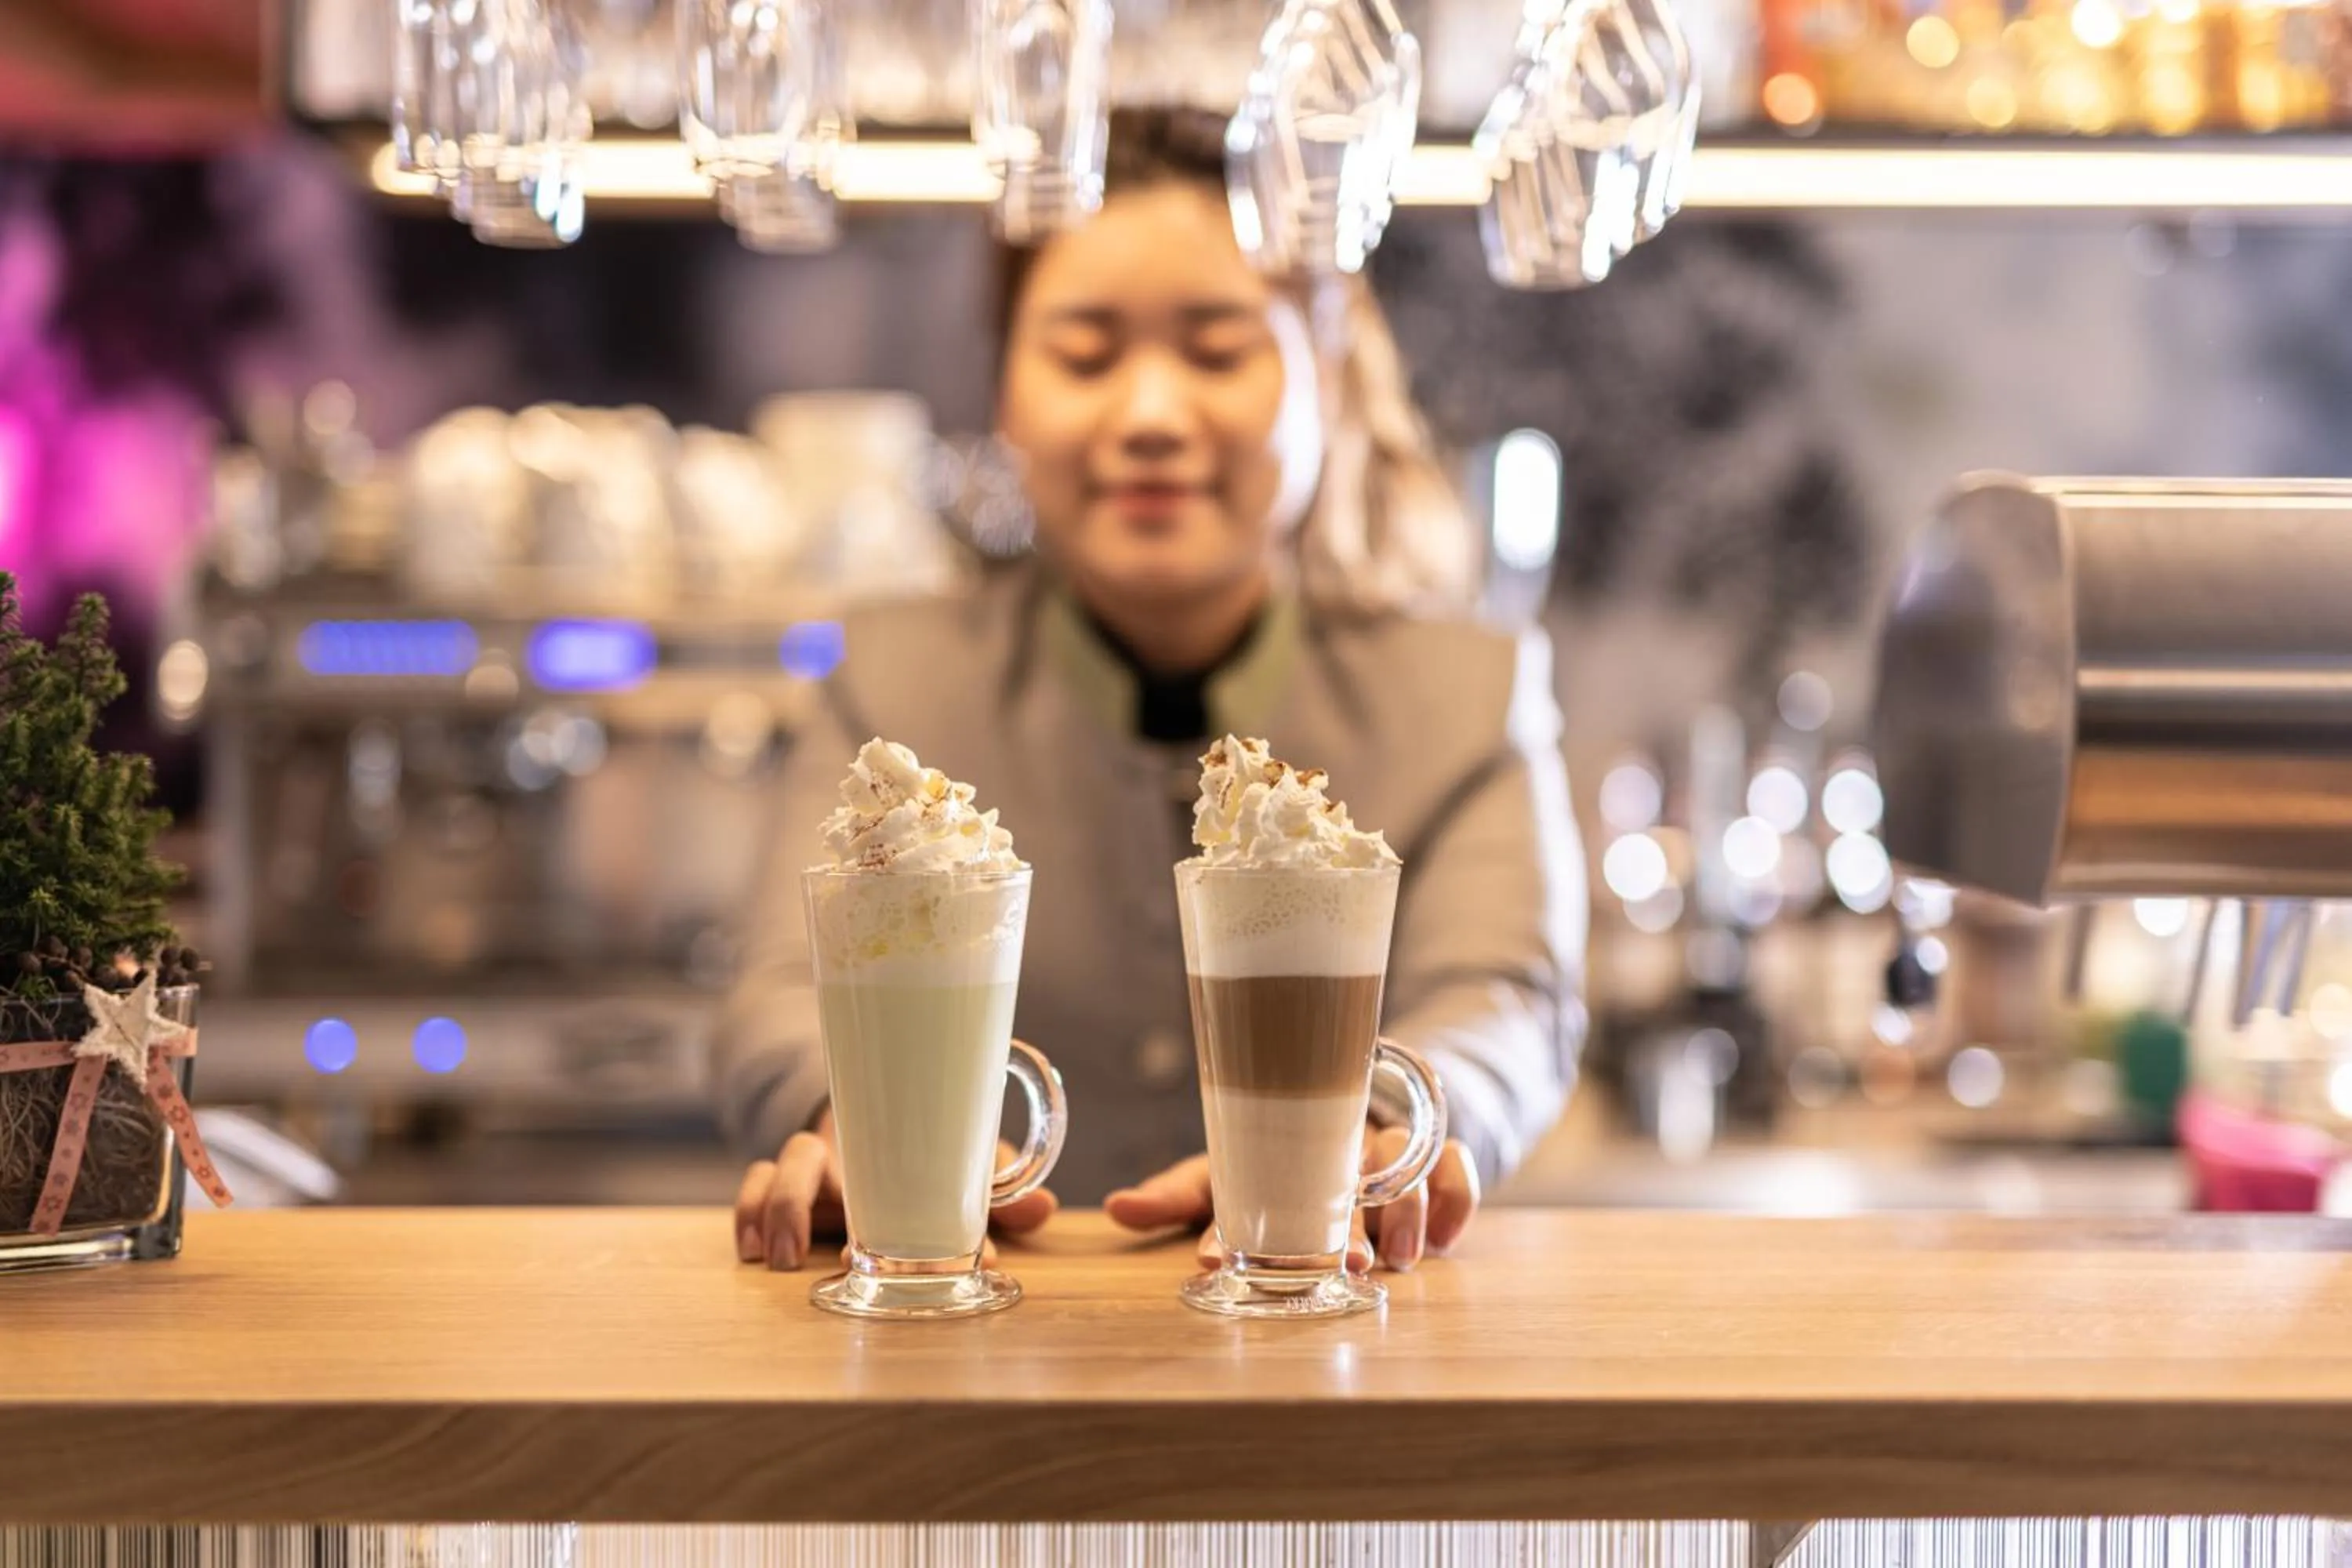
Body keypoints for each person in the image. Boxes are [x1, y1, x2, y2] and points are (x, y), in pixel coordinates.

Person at [721, 106, 1586, 1276]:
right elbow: (780, 992)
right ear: (1007, 393)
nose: (1148, 418)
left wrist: (1396, 1131)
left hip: (1329, 1354)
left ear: (1323, 375)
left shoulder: (1468, 692)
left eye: (1219, 351)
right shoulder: (891, 682)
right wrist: (845, 1122)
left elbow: (1506, 1000)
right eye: (1084, 356)